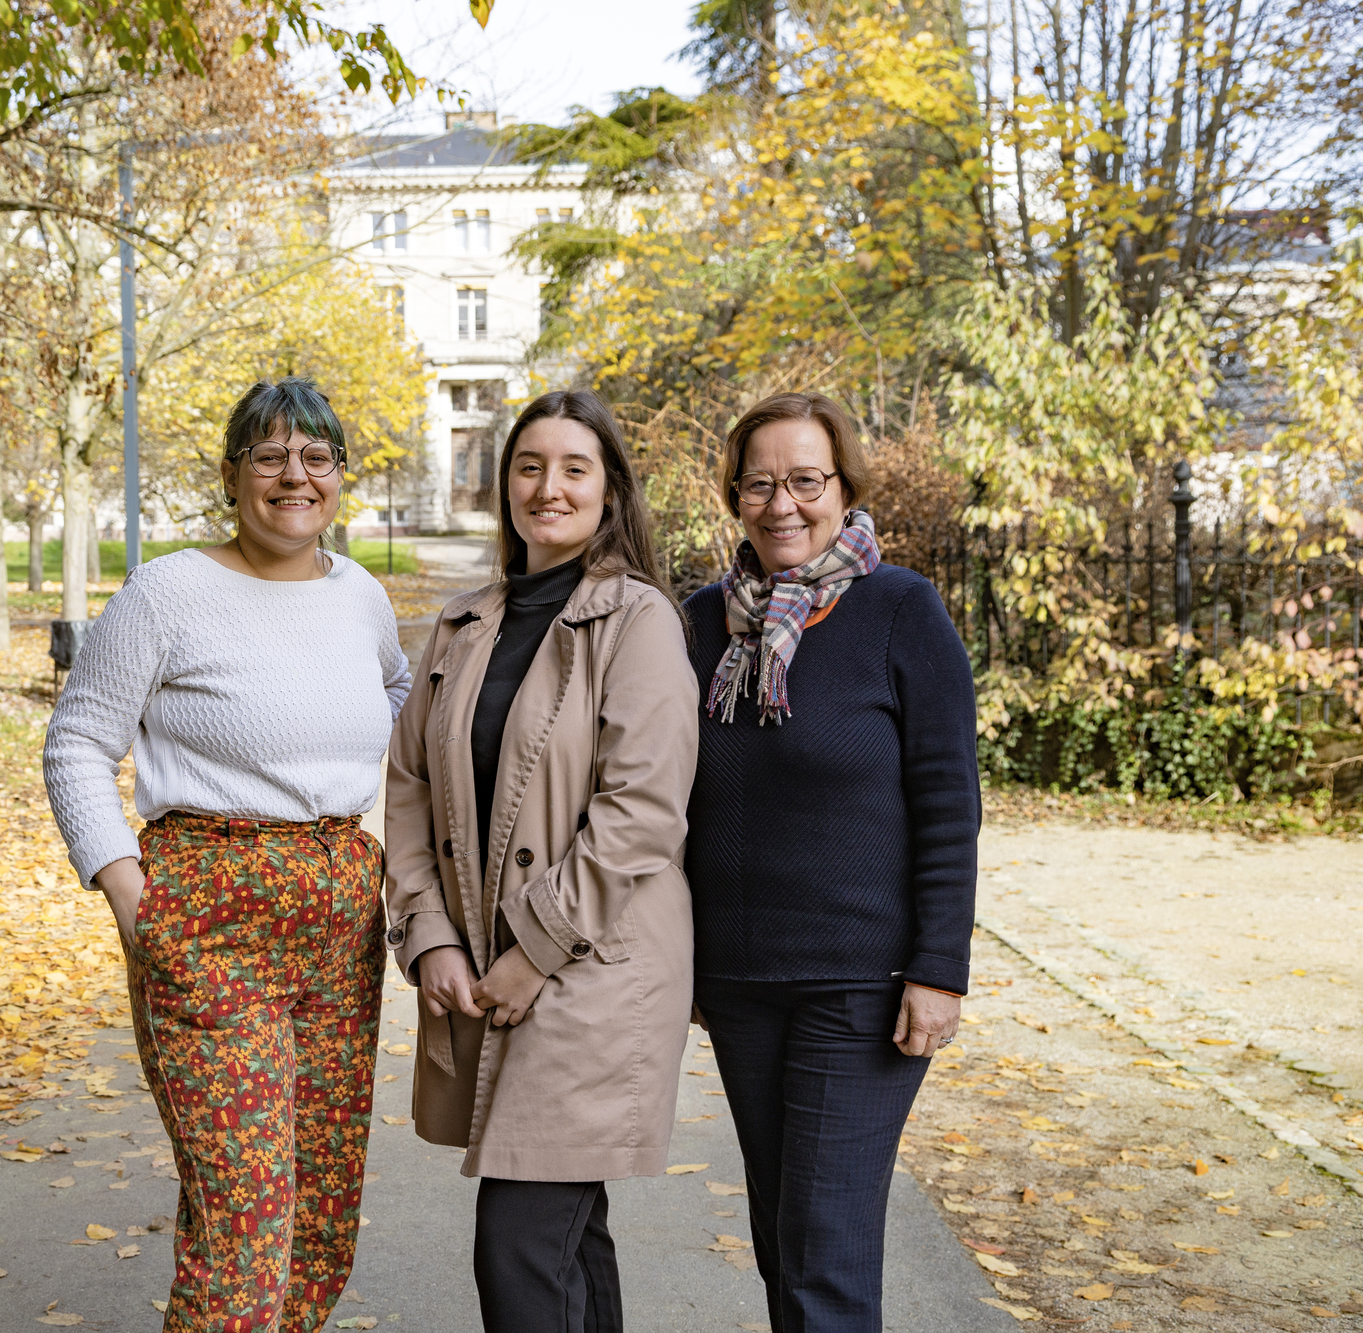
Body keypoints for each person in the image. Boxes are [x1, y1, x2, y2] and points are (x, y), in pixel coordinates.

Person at [42, 377, 409, 1333]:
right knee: (243, 1216)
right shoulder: (169, 590)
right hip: (209, 922)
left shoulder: (361, 597)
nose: (296, 476)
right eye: (271, 455)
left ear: (340, 475)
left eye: (316, 456)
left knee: (323, 1208)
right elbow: (79, 740)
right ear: (232, 473)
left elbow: (414, 727)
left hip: (339, 924)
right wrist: (132, 896)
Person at [383, 388, 703, 1333]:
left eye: (574, 468)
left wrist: (534, 951)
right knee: (568, 1234)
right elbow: (407, 789)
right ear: (503, 486)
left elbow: (642, 810)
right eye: (529, 467)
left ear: (611, 492)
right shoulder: (460, 625)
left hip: (595, 967)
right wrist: (431, 936)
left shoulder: (638, 620)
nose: (548, 488)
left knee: (520, 1239)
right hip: (483, 962)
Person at [684, 391, 980, 1333]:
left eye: (805, 481)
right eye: (760, 483)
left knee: (825, 1247)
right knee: (785, 1236)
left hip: (860, 984)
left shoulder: (901, 611)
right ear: (734, 496)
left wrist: (940, 969)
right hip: (738, 978)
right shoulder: (702, 625)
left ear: (844, 489)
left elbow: (948, 803)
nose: (783, 505)